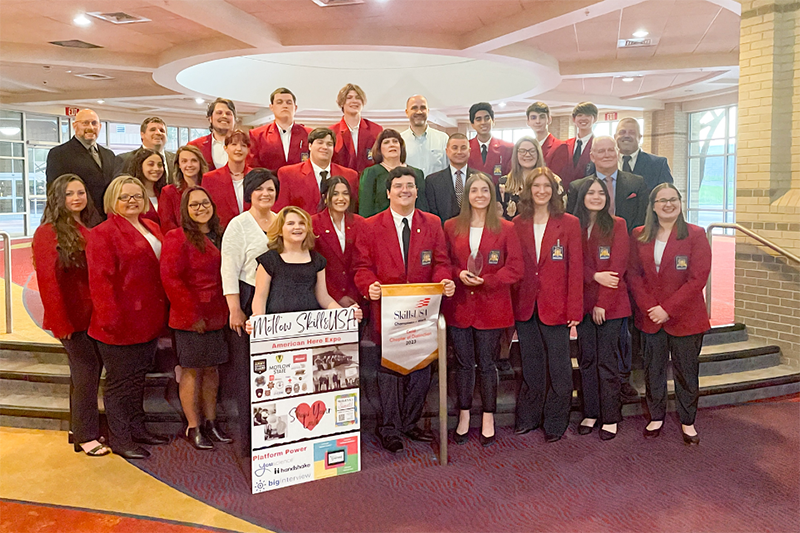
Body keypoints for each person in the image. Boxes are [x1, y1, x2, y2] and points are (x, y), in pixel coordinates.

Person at [353, 166, 455, 454]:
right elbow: (361, 267)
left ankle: (410, 423)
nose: (404, 190)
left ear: (417, 190)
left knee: (422, 370)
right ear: (388, 192)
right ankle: (389, 428)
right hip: (388, 312)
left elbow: (441, 262)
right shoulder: (370, 225)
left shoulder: (433, 223)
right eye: (398, 186)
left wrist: (443, 280)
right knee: (390, 372)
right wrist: (369, 286)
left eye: (409, 185)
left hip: (423, 312)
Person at [86, 176, 169, 459]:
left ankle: (138, 428)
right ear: (113, 201)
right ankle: (121, 438)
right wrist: (110, 318)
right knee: (120, 384)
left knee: (137, 380)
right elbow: (100, 281)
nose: (132, 201)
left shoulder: (152, 226)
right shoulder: (103, 233)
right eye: (125, 197)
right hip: (118, 322)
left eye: (137, 196)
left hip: (148, 319)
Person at [628, 183, 711, 445]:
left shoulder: (695, 235)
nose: (668, 204)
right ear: (652, 206)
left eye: (673, 199)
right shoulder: (639, 234)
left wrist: (668, 309)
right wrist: (650, 308)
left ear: (680, 203)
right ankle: (656, 416)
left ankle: (688, 421)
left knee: (686, 372)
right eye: (662, 200)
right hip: (651, 317)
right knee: (653, 370)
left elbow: (697, 279)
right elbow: (634, 275)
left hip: (685, 317)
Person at [444, 172, 523, 447]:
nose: (479, 195)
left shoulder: (506, 228)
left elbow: (515, 268)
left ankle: (488, 416)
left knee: (488, 365)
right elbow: (444, 263)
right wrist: (457, 274)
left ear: (492, 195)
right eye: (474, 190)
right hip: (460, 306)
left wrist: (488, 281)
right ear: (466, 196)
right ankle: (464, 415)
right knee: (464, 365)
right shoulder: (451, 226)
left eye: (485, 190)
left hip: (492, 306)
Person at [32, 174, 108, 457]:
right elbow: (47, 282)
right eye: (69, 194)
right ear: (58, 198)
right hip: (69, 317)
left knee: (82, 373)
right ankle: (87, 436)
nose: (76, 198)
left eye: (80, 192)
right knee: (87, 371)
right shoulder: (47, 232)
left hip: (90, 315)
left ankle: (77, 427)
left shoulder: (86, 225)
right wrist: (60, 322)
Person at [511, 167, 582, 442]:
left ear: (554, 191)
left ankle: (555, 421)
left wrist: (575, 309)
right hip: (526, 305)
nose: (542, 191)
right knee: (531, 365)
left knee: (560, 368)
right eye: (536, 186)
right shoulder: (517, 223)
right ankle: (529, 417)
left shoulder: (569, 223)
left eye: (547, 186)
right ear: (528, 191)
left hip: (558, 306)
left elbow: (575, 269)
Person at [161, 187, 232, 450]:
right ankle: (194, 426)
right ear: (185, 210)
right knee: (192, 372)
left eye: (205, 202)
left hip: (217, 315)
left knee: (212, 371)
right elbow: (171, 279)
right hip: (191, 317)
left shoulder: (220, 235)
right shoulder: (177, 237)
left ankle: (211, 422)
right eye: (194, 205)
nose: (201, 208)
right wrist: (192, 316)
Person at [220, 169, 278, 455]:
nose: (266, 194)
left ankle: (275, 435)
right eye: (260, 189)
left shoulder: (281, 220)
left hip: (277, 300)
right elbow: (228, 268)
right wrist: (234, 309)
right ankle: (250, 440)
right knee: (249, 372)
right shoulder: (238, 225)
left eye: (270, 189)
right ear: (250, 193)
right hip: (245, 298)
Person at [573, 177, 630, 441]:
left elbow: (617, 268)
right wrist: (594, 277)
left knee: (607, 362)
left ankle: (610, 416)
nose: (596, 197)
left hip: (611, 306)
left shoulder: (617, 225)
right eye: (591, 192)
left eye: (601, 193)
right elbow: (572, 266)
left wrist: (601, 304)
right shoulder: (575, 226)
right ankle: (590, 412)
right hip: (583, 304)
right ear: (582, 196)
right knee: (586, 360)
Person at [249, 206, 364, 319]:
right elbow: (260, 297)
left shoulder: (317, 260)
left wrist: (345, 314)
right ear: (279, 230)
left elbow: (323, 297)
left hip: (310, 327)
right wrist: (257, 322)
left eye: (302, 223)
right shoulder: (269, 260)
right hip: (277, 328)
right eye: (290, 223)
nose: (297, 227)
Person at [566, 136, 647, 233]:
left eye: (611, 150)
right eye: (601, 151)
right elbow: (573, 223)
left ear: (618, 153)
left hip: (628, 242)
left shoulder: (637, 184)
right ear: (592, 157)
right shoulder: (577, 187)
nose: (607, 155)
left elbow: (643, 218)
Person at [45, 109, 115, 221]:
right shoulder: (59, 154)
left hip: (107, 220)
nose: (91, 127)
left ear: (100, 127)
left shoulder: (109, 155)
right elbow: (54, 191)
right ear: (75, 126)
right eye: (85, 123)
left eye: (94, 123)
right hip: (77, 220)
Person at [274, 128, 359, 214]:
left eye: (329, 144)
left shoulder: (350, 175)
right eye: (320, 143)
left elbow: (353, 210)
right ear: (310, 146)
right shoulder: (288, 174)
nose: (325, 147)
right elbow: (281, 210)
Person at [311, 176, 365, 307]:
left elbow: (363, 262)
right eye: (335, 194)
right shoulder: (313, 223)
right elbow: (313, 265)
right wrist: (337, 297)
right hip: (325, 299)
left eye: (345, 193)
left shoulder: (360, 223)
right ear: (325, 197)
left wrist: (353, 295)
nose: (341, 198)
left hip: (357, 299)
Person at [358, 129, 427, 218]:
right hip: (380, 227)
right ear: (379, 149)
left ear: (401, 147)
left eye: (395, 141)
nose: (392, 145)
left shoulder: (417, 173)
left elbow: (422, 207)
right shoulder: (371, 173)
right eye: (386, 142)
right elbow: (365, 209)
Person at [248, 88, 311, 173]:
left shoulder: (309, 134)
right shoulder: (257, 134)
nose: (284, 105)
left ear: (295, 108)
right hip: (270, 184)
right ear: (272, 107)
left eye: (289, 102)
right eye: (279, 102)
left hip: (301, 184)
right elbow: (253, 167)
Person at [202, 129, 253, 228]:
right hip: (221, 233)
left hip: (253, 233)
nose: (238, 149)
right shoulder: (210, 179)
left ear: (248, 149)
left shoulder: (257, 176)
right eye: (234, 144)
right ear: (225, 148)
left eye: (243, 145)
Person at [330, 83, 383, 174]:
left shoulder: (376, 130)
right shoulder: (332, 132)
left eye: (358, 97)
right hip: (341, 183)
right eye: (349, 98)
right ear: (342, 103)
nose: (354, 101)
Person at [615, 117, 674, 193]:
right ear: (615, 137)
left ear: (639, 137)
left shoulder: (658, 165)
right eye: (622, 132)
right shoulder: (602, 164)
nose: (626, 136)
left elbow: (666, 197)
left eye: (632, 132)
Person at [158, 144, 208, 233]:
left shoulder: (210, 187)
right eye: (184, 161)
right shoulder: (168, 192)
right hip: (182, 241)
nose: (189, 165)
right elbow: (168, 225)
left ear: (200, 163)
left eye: (194, 160)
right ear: (179, 165)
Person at [426, 133, 473, 223]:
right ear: (447, 151)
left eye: (463, 148)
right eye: (454, 148)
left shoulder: (481, 179)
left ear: (469, 151)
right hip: (443, 232)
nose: (459, 152)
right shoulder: (432, 181)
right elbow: (431, 213)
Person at [401, 95, 449, 178]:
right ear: (407, 112)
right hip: (410, 189)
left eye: (423, 108)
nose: (419, 112)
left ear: (428, 111)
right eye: (414, 108)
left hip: (437, 190)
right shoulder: (400, 140)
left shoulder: (443, 139)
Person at [498, 136, 545, 221]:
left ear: (538, 153)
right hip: (513, 232)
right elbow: (499, 216)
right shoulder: (503, 183)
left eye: (532, 151)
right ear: (516, 154)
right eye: (522, 151)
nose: (527, 154)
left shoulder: (552, 181)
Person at [553, 102, 598, 190]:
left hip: (587, 194)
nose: (583, 118)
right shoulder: (564, 145)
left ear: (595, 119)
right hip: (565, 196)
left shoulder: (598, 146)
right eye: (580, 115)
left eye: (588, 115)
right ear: (574, 119)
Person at [116, 117, 176, 182]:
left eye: (162, 130)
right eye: (153, 129)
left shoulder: (175, 159)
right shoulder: (125, 159)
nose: (158, 133)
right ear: (142, 134)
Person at [467, 102, 513, 182]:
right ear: (472, 124)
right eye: (478, 119)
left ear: (493, 121)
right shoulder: (465, 147)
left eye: (487, 118)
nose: (483, 122)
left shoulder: (508, 148)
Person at [189, 98, 237, 171]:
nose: (224, 116)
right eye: (219, 113)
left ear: (234, 120)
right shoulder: (195, 146)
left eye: (228, 113)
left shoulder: (249, 145)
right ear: (210, 118)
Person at [124, 148, 167, 227]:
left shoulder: (165, 193)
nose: (156, 168)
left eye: (160, 165)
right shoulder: (128, 194)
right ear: (140, 166)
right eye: (151, 164)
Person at [526, 101, 568, 169]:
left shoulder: (560, 146)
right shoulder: (527, 147)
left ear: (549, 120)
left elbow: (558, 177)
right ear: (528, 121)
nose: (538, 121)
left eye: (542, 117)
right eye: (533, 118)